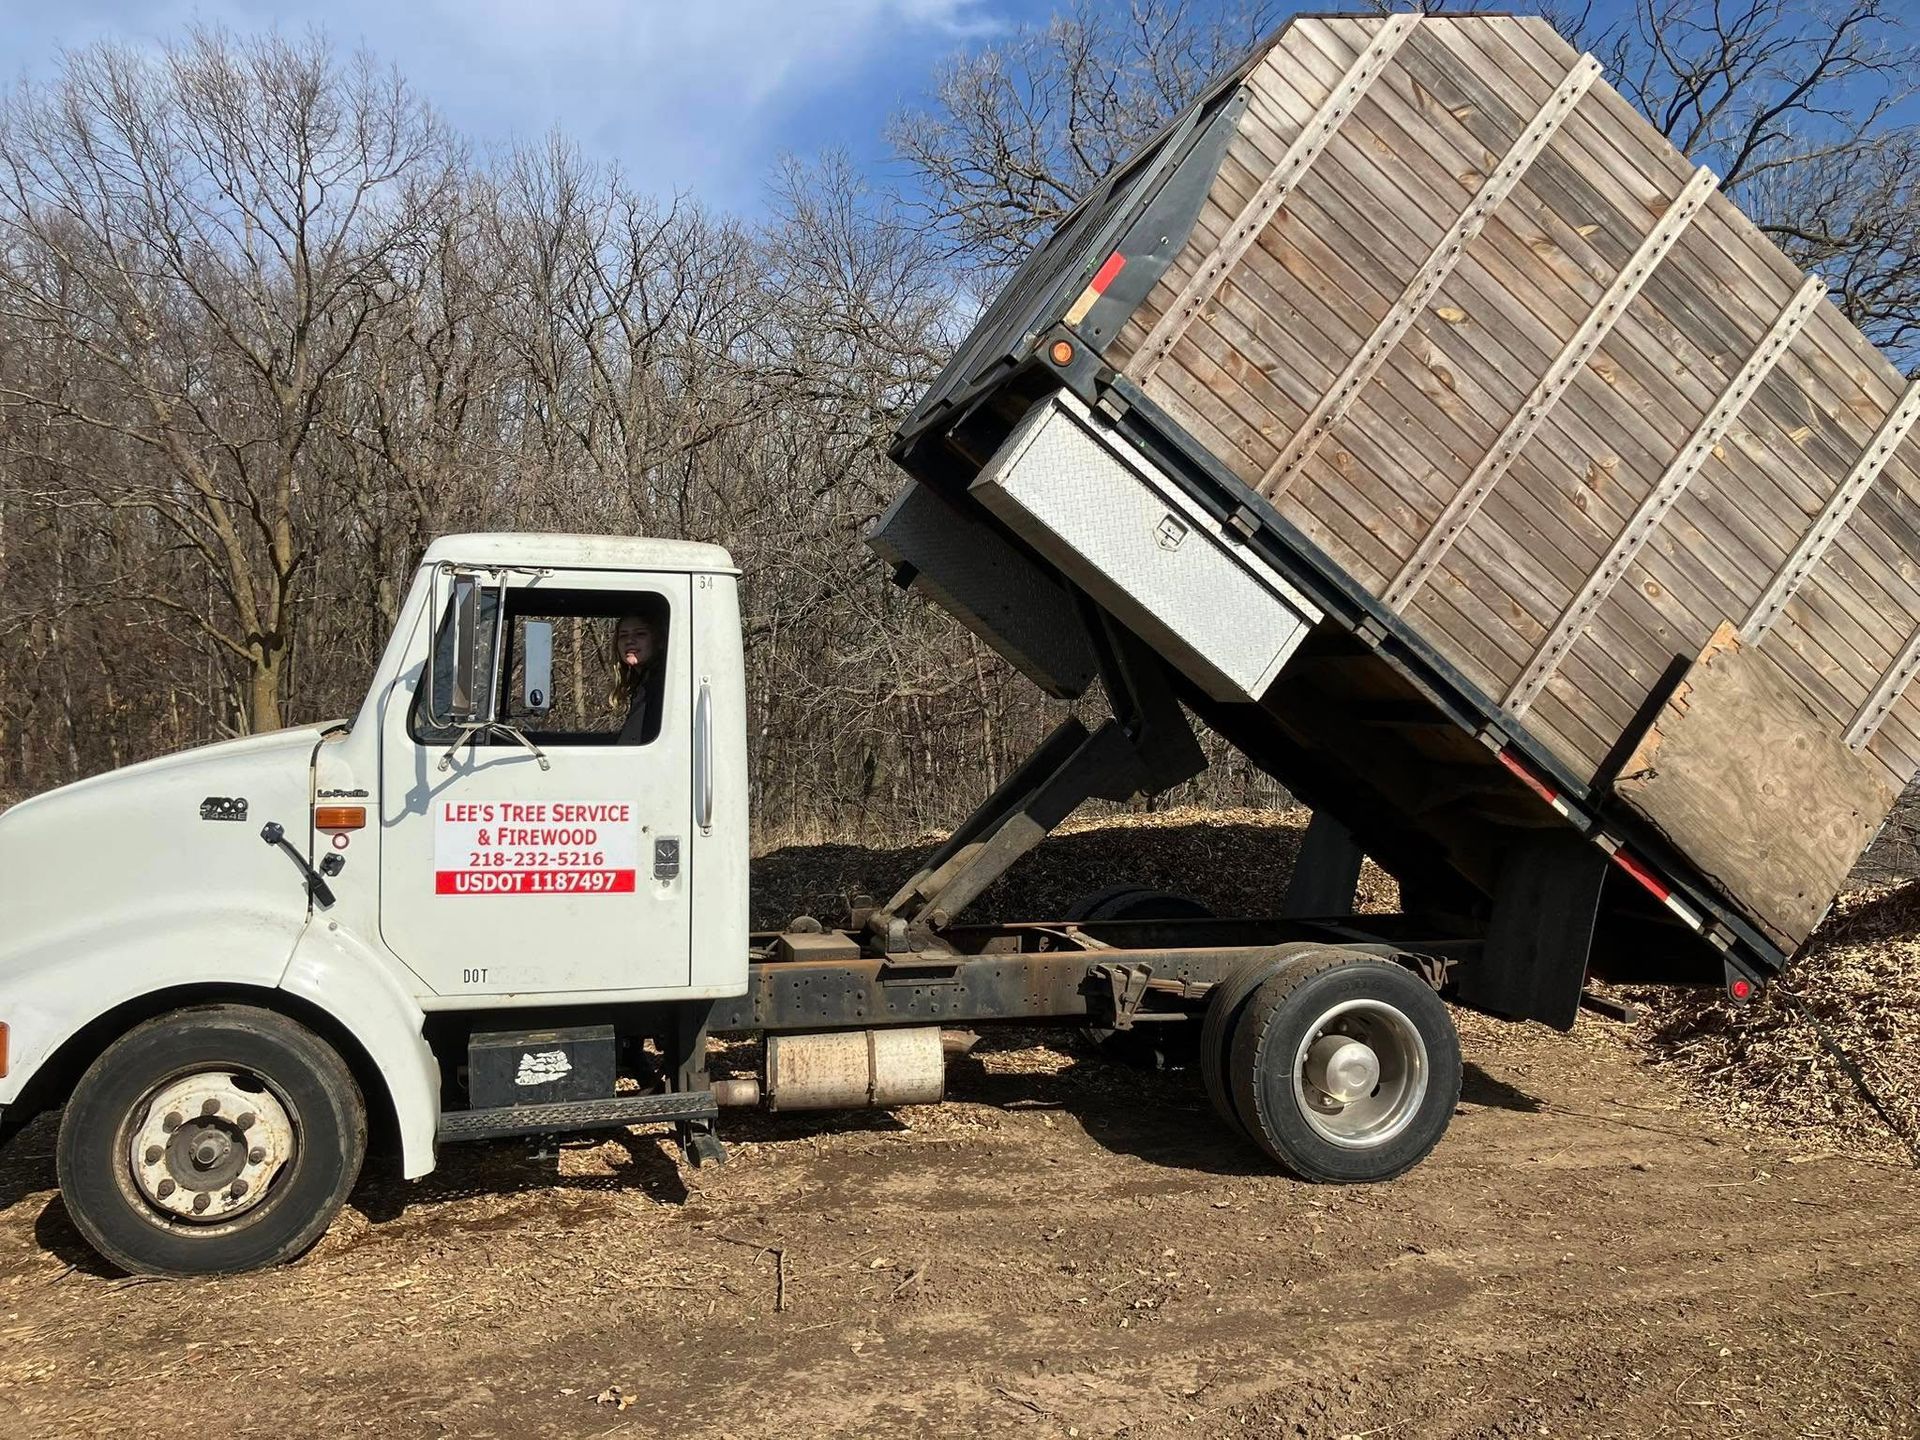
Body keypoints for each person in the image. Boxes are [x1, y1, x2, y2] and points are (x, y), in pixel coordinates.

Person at [611, 612, 665, 744]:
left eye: (640, 634)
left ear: (658, 641)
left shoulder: (659, 686)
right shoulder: (643, 684)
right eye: (623, 635)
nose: (629, 641)